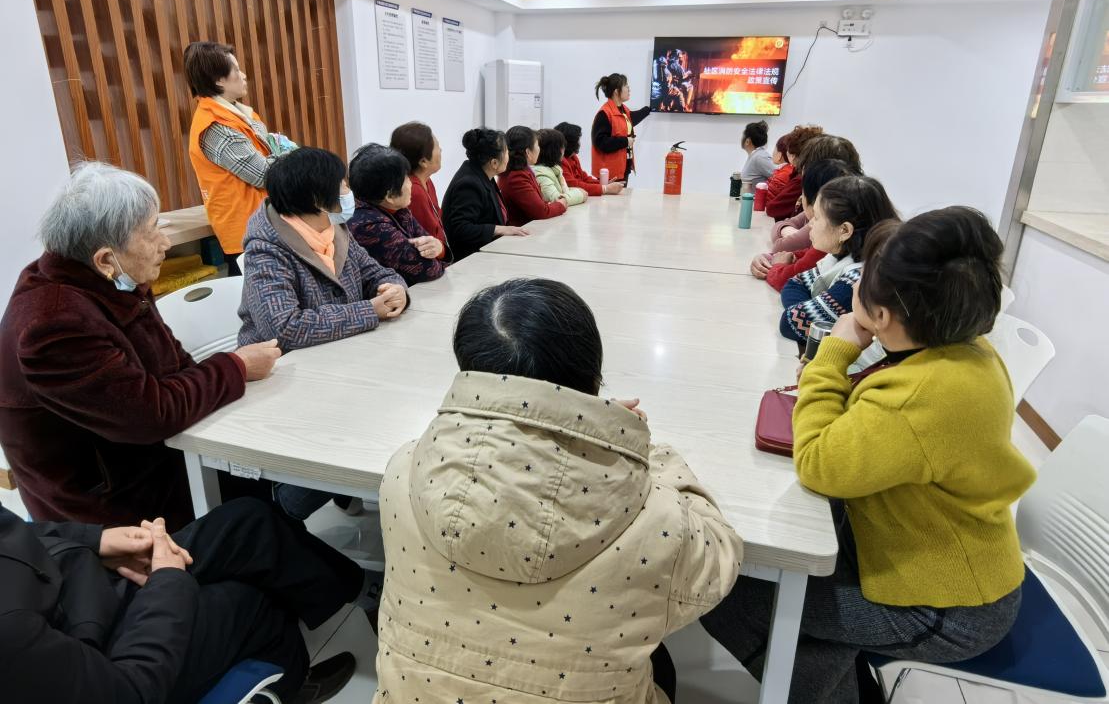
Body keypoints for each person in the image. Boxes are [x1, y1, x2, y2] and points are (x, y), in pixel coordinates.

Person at [703, 208, 1035, 704]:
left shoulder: (919, 396)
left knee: (728, 590)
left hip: (944, 608)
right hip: (943, 564)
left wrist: (833, 354)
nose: (857, 285)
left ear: (882, 316)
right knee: (798, 604)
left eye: (865, 280)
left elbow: (818, 462)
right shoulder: (968, 351)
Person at [372, 278, 743, 704]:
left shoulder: (404, 470)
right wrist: (633, 445)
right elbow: (719, 560)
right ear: (591, 375)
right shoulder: (657, 518)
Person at [0, 163, 279, 531]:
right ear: (105, 258)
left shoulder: (109, 281)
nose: (165, 243)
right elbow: (150, 414)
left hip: (149, 457)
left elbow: (176, 365)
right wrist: (237, 366)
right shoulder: (54, 324)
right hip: (109, 507)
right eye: (152, 232)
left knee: (263, 479)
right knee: (256, 514)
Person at [0, 497, 370, 704]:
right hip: (97, 652)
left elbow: (14, 530)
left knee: (248, 522)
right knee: (253, 603)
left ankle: (365, 595)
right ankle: (291, 685)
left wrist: (94, 540)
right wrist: (169, 582)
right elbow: (128, 692)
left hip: (76, 582)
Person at [239, 146, 410, 354]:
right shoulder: (265, 251)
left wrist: (395, 290)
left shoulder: (333, 228)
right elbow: (285, 329)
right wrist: (369, 311)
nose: (349, 192)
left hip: (344, 349)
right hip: (283, 363)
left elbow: (376, 273)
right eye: (343, 185)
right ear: (318, 200)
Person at [185, 42, 304, 273]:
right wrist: (290, 154)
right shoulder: (216, 125)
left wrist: (281, 152)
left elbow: (270, 151)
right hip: (247, 230)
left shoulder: (236, 113)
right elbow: (264, 174)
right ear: (218, 80)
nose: (244, 75)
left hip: (263, 221)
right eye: (237, 70)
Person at [779, 176, 898, 346]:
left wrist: (804, 310)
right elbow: (794, 284)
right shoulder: (840, 255)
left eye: (817, 217)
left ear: (845, 230)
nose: (810, 224)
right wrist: (809, 309)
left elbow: (789, 323)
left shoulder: (858, 279)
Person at [347, 143, 448, 287]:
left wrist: (440, 248)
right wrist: (438, 254)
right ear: (390, 195)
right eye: (406, 178)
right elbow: (429, 270)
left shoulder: (397, 209)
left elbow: (431, 245)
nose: (411, 183)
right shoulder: (369, 227)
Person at [751, 160, 859, 288]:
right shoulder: (832, 235)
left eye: (816, 218)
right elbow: (799, 254)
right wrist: (767, 258)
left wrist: (776, 265)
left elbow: (787, 281)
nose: (810, 224)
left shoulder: (826, 245)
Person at [441, 128, 529, 261]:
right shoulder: (469, 184)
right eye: (506, 151)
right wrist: (500, 229)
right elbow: (461, 228)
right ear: (494, 163)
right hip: (471, 259)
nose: (509, 155)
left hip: (488, 251)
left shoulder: (482, 172)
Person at [389, 121, 449, 258]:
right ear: (423, 162)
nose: (441, 150)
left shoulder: (427, 181)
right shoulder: (413, 192)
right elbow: (425, 241)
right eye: (437, 147)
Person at [498, 125, 568, 226]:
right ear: (528, 152)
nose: (539, 149)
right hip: (523, 230)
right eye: (537, 145)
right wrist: (561, 205)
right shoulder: (516, 177)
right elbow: (541, 212)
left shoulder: (522, 170)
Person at [591, 72, 650, 182]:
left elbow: (630, 120)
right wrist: (626, 141)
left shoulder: (623, 110)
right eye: (626, 86)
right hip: (610, 173)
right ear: (616, 91)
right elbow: (601, 142)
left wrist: (649, 109)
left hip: (623, 168)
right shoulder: (604, 113)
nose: (629, 89)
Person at [764, 124, 825, 221]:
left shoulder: (801, 179)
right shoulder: (804, 173)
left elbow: (773, 208)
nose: (787, 153)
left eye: (789, 149)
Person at [555, 121, 624, 196]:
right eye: (578, 140)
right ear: (570, 143)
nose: (579, 143)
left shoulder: (573, 157)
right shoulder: (561, 161)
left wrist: (603, 184)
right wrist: (605, 188)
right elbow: (574, 185)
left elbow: (583, 177)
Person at [535, 128, 588, 207]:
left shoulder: (554, 169)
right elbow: (557, 200)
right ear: (554, 150)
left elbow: (563, 192)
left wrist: (577, 191)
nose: (564, 150)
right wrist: (580, 194)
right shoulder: (541, 173)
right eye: (562, 147)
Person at [738, 120, 773, 188]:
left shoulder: (759, 157)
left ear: (747, 141)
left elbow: (780, 176)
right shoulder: (756, 155)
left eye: (743, 136)